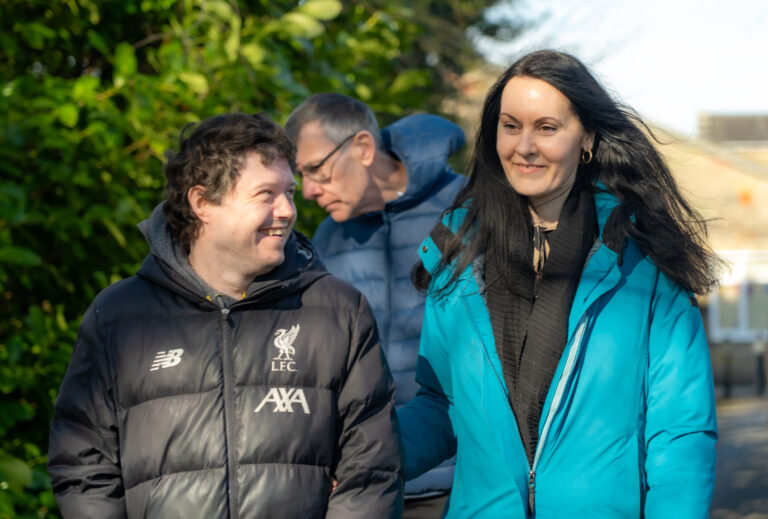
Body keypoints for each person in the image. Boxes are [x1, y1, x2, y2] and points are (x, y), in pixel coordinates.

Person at [398, 50, 721, 518]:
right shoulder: (458, 257)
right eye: (511, 126)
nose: (524, 146)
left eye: (547, 128)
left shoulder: (644, 263)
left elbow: (680, 434)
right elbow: (441, 406)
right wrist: (362, 453)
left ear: (586, 138)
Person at [47, 113, 403, 518]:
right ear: (202, 203)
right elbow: (82, 462)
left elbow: (372, 470)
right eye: (266, 194)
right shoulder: (118, 316)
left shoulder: (340, 311)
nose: (287, 210)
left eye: (289, 192)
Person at [285, 94, 465, 515]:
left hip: (466, 483)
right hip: (366, 490)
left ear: (364, 147)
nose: (308, 191)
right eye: (302, 176)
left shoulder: (469, 208)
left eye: (317, 169)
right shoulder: (328, 239)